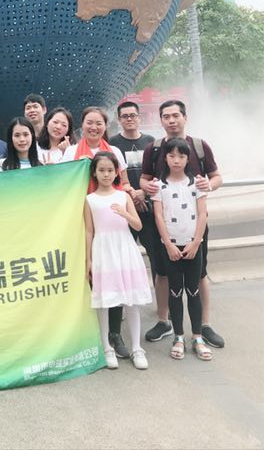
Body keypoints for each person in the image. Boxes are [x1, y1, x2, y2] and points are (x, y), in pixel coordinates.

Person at [140, 99, 224, 348]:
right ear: (161, 120)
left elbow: (216, 177)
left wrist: (209, 185)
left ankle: (204, 325)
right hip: (164, 226)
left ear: (185, 117)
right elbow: (144, 179)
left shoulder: (199, 146)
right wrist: (148, 187)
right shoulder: (154, 148)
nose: (171, 120)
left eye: (176, 115)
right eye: (166, 116)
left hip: (194, 226)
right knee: (162, 272)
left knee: (200, 274)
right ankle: (164, 321)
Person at [84, 151, 151, 371]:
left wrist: (125, 213)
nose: (106, 174)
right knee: (105, 301)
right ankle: (107, 348)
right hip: (103, 250)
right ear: (94, 173)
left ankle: (136, 348)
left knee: (131, 300)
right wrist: (88, 259)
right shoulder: (90, 200)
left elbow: (138, 225)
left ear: (116, 173)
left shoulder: (123, 196)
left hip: (125, 249)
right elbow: (89, 231)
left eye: (110, 170)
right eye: (101, 170)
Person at [152, 138, 211, 361]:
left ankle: (197, 336)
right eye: (172, 156)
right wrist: (168, 244)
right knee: (175, 291)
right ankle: (178, 336)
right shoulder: (159, 186)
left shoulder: (197, 184)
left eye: (181, 156)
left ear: (188, 159)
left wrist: (196, 242)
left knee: (193, 290)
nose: (176, 160)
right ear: (165, 158)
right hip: (171, 247)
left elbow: (203, 213)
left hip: (193, 245)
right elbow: (158, 216)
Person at [107, 101, 155, 359]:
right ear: (119, 119)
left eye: (133, 115)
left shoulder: (150, 142)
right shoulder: (113, 144)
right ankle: (118, 310)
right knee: (120, 262)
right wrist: (130, 195)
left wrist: (142, 193)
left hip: (148, 210)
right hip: (123, 210)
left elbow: (157, 173)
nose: (129, 119)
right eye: (124, 116)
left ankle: (163, 314)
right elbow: (113, 175)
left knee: (156, 260)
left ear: (139, 117)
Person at [62, 107, 129, 190]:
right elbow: (64, 182)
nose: (93, 127)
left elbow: (125, 183)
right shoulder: (71, 151)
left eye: (99, 124)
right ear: (82, 125)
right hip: (81, 198)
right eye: (89, 123)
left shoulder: (115, 152)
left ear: (105, 126)